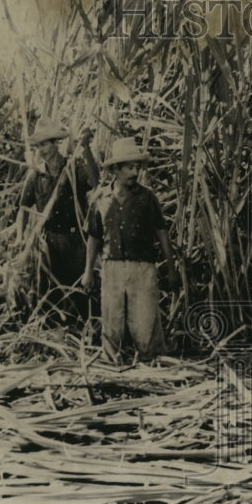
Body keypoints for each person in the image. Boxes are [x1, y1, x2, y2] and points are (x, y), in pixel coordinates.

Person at [81, 137, 179, 363]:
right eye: (129, 167)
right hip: (111, 268)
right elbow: (94, 237)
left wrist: (171, 269)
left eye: (137, 167)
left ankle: (150, 364)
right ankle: (112, 368)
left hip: (142, 268)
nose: (135, 172)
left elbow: (162, 234)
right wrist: (88, 272)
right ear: (116, 169)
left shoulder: (147, 198)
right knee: (112, 323)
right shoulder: (101, 198)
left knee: (144, 326)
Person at [16, 117, 99, 320]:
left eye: (44, 144)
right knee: (52, 292)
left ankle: (82, 334)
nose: (41, 150)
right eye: (37, 146)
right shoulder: (36, 176)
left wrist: (86, 149)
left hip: (75, 241)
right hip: (50, 242)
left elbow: (95, 181)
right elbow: (23, 208)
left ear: (56, 143)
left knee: (80, 290)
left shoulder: (73, 168)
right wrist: (20, 237)